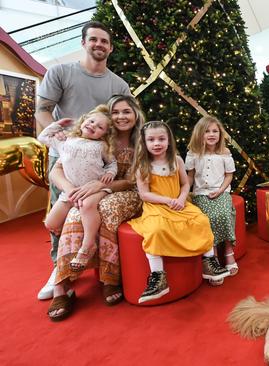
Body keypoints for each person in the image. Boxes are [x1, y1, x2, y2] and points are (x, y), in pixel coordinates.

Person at [35, 21, 131, 301]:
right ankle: (60, 272)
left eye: (104, 41)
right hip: (64, 161)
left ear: (110, 48)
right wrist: (62, 138)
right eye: (94, 39)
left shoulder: (118, 84)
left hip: (98, 165)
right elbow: (42, 111)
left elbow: (124, 122)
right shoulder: (61, 72)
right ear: (84, 42)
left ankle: (102, 267)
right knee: (61, 216)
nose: (99, 44)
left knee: (94, 214)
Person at [46, 95, 143, 321]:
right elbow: (56, 170)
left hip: (127, 192)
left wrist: (100, 185)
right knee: (74, 212)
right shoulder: (87, 140)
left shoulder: (141, 140)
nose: (120, 116)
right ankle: (63, 284)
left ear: (136, 114)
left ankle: (110, 278)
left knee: (106, 208)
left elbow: (136, 180)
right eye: (115, 112)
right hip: (84, 192)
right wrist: (72, 190)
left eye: (126, 111)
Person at [128, 121, 229, 304]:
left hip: (178, 202)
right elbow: (144, 194)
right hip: (157, 205)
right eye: (151, 139)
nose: (157, 143)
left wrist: (182, 198)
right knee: (155, 230)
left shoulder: (176, 160)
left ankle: (209, 262)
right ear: (144, 142)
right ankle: (158, 276)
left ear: (169, 140)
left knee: (201, 220)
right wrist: (167, 200)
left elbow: (184, 183)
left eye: (161, 139)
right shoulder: (142, 166)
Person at [38, 105, 116, 272]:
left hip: (91, 190)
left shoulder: (101, 146)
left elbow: (112, 163)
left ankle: (88, 244)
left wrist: (110, 173)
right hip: (70, 192)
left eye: (100, 127)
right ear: (83, 121)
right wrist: (57, 125)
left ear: (105, 134)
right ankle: (70, 231)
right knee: (50, 223)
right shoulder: (65, 140)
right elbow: (43, 137)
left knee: (87, 207)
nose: (93, 126)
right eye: (91, 121)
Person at [186, 115, 238, 278]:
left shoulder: (224, 153)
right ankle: (212, 258)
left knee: (224, 214)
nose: (211, 134)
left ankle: (229, 252)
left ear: (220, 134)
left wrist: (221, 190)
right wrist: (184, 193)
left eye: (215, 131)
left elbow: (229, 175)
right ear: (199, 134)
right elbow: (190, 176)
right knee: (207, 219)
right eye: (207, 131)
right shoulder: (193, 154)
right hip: (201, 194)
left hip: (221, 192)